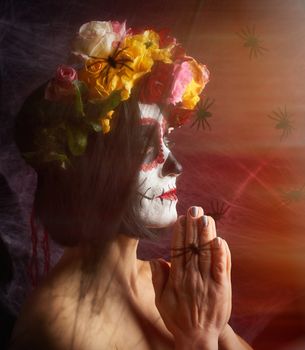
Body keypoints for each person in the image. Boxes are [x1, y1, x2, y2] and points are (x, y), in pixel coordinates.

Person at [9, 20, 253, 349]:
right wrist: (200, 338)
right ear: (91, 166)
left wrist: (216, 324)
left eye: (166, 140)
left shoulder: (168, 283)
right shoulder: (62, 329)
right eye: (144, 146)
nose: (174, 165)